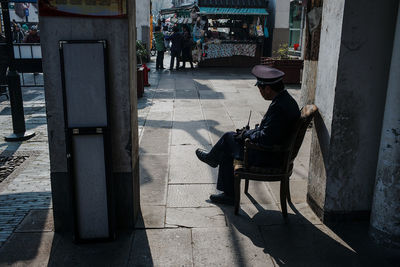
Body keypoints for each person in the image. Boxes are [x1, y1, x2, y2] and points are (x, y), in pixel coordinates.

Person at [195, 65, 300, 204]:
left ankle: (214, 164)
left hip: (269, 157)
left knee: (228, 139)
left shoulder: (279, 107)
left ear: (267, 89)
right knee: (231, 140)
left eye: (260, 89)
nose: (260, 93)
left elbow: (265, 138)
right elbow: (268, 131)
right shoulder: (284, 100)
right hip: (275, 152)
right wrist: (248, 133)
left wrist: (246, 136)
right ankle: (220, 175)